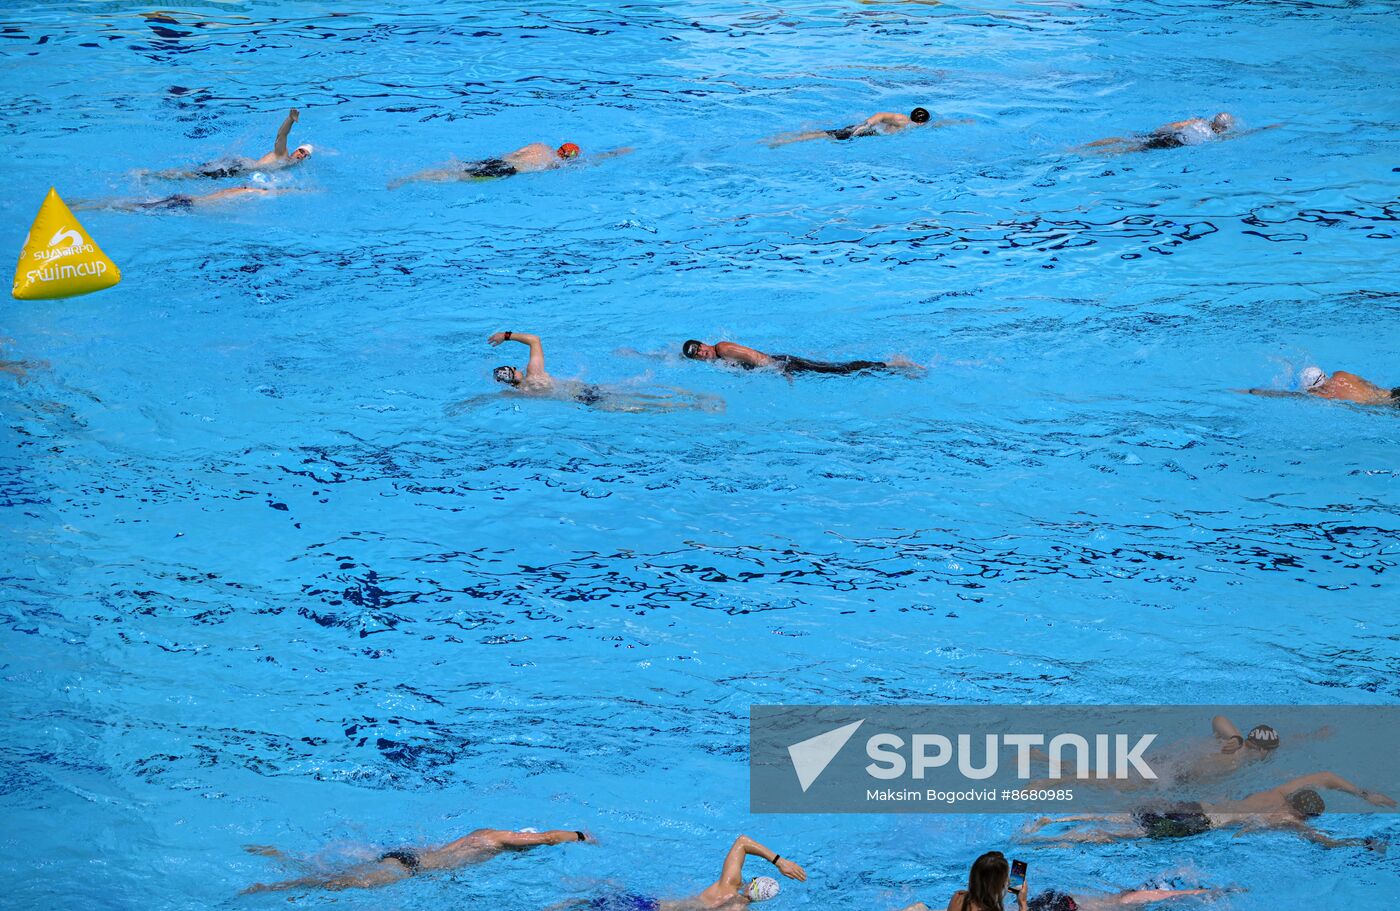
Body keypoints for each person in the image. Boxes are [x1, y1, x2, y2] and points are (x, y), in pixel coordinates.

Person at [1021, 771, 1394, 850]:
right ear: (1304, 813)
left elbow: (1325, 774)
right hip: (1198, 822)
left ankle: (1054, 818)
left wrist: (1364, 791)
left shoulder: (1272, 792)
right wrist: (1361, 843)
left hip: (1194, 805)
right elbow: (1323, 842)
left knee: (1125, 816)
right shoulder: (1288, 820)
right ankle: (1059, 842)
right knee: (1121, 835)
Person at [242, 826, 593, 893]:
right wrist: (580, 836)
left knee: (336, 872)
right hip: (409, 869)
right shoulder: (501, 840)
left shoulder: (483, 834)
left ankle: (281, 857)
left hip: (406, 858)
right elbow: (548, 837)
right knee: (337, 884)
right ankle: (271, 887)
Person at [1025, 715, 1290, 793]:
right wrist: (1235, 737)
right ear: (1263, 752)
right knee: (1110, 781)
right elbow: (1218, 718)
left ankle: (1046, 758)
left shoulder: (1242, 750)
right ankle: (1053, 780)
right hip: (1169, 773)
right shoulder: (1237, 749)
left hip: (1169, 766)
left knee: (1109, 775)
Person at [550, 834, 806, 911]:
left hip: (649, 905)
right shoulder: (736, 906)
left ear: (752, 882)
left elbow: (742, 842)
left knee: (599, 895)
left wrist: (778, 861)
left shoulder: (728, 886)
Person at [484, 331, 722, 413]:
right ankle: (693, 401)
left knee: (641, 407)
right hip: (585, 390)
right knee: (642, 395)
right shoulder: (534, 374)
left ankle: (690, 406)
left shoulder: (519, 394)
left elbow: (481, 400)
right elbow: (534, 339)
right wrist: (506, 336)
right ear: (516, 370)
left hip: (582, 401)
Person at [899, 852, 1225, 911]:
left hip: (1053, 907)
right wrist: (1023, 901)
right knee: (1122, 902)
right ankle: (1197, 892)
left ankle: (1188, 892)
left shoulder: (958, 898)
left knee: (1124, 903)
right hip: (1052, 905)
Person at [152, 107, 312, 178]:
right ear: (296, 150)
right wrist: (290, 120)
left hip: (239, 168)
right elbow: (281, 135)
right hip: (238, 167)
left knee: (194, 174)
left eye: (306, 155)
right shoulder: (282, 154)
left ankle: (157, 175)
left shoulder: (288, 168)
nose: (302, 155)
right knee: (191, 175)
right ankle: (153, 174)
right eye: (301, 150)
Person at [390, 142, 632, 187]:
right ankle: (410, 180)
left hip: (498, 161)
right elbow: (593, 161)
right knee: (457, 177)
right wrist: (616, 153)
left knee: (457, 167)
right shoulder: (556, 164)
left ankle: (413, 175)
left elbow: (512, 152)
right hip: (506, 171)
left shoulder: (540, 146)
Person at [680, 339, 919, 377]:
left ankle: (894, 363)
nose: (702, 354)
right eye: (697, 356)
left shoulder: (721, 348)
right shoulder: (715, 358)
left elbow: (755, 356)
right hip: (781, 365)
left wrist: (780, 370)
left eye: (699, 349)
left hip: (784, 364)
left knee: (840, 371)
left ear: (703, 343)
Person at [767, 107, 970, 146]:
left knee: (825, 135)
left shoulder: (919, 125)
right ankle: (785, 139)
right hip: (865, 130)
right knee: (823, 135)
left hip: (870, 135)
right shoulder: (901, 120)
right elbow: (882, 114)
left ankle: (789, 137)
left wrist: (962, 122)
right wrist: (866, 124)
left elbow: (941, 124)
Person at [1242, 365, 1398, 405]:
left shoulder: (1325, 395)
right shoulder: (1341, 374)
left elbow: (1288, 395)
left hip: (1387, 406)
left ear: (1312, 389)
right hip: (1392, 393)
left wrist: (1252, 391)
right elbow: (1370, 385)